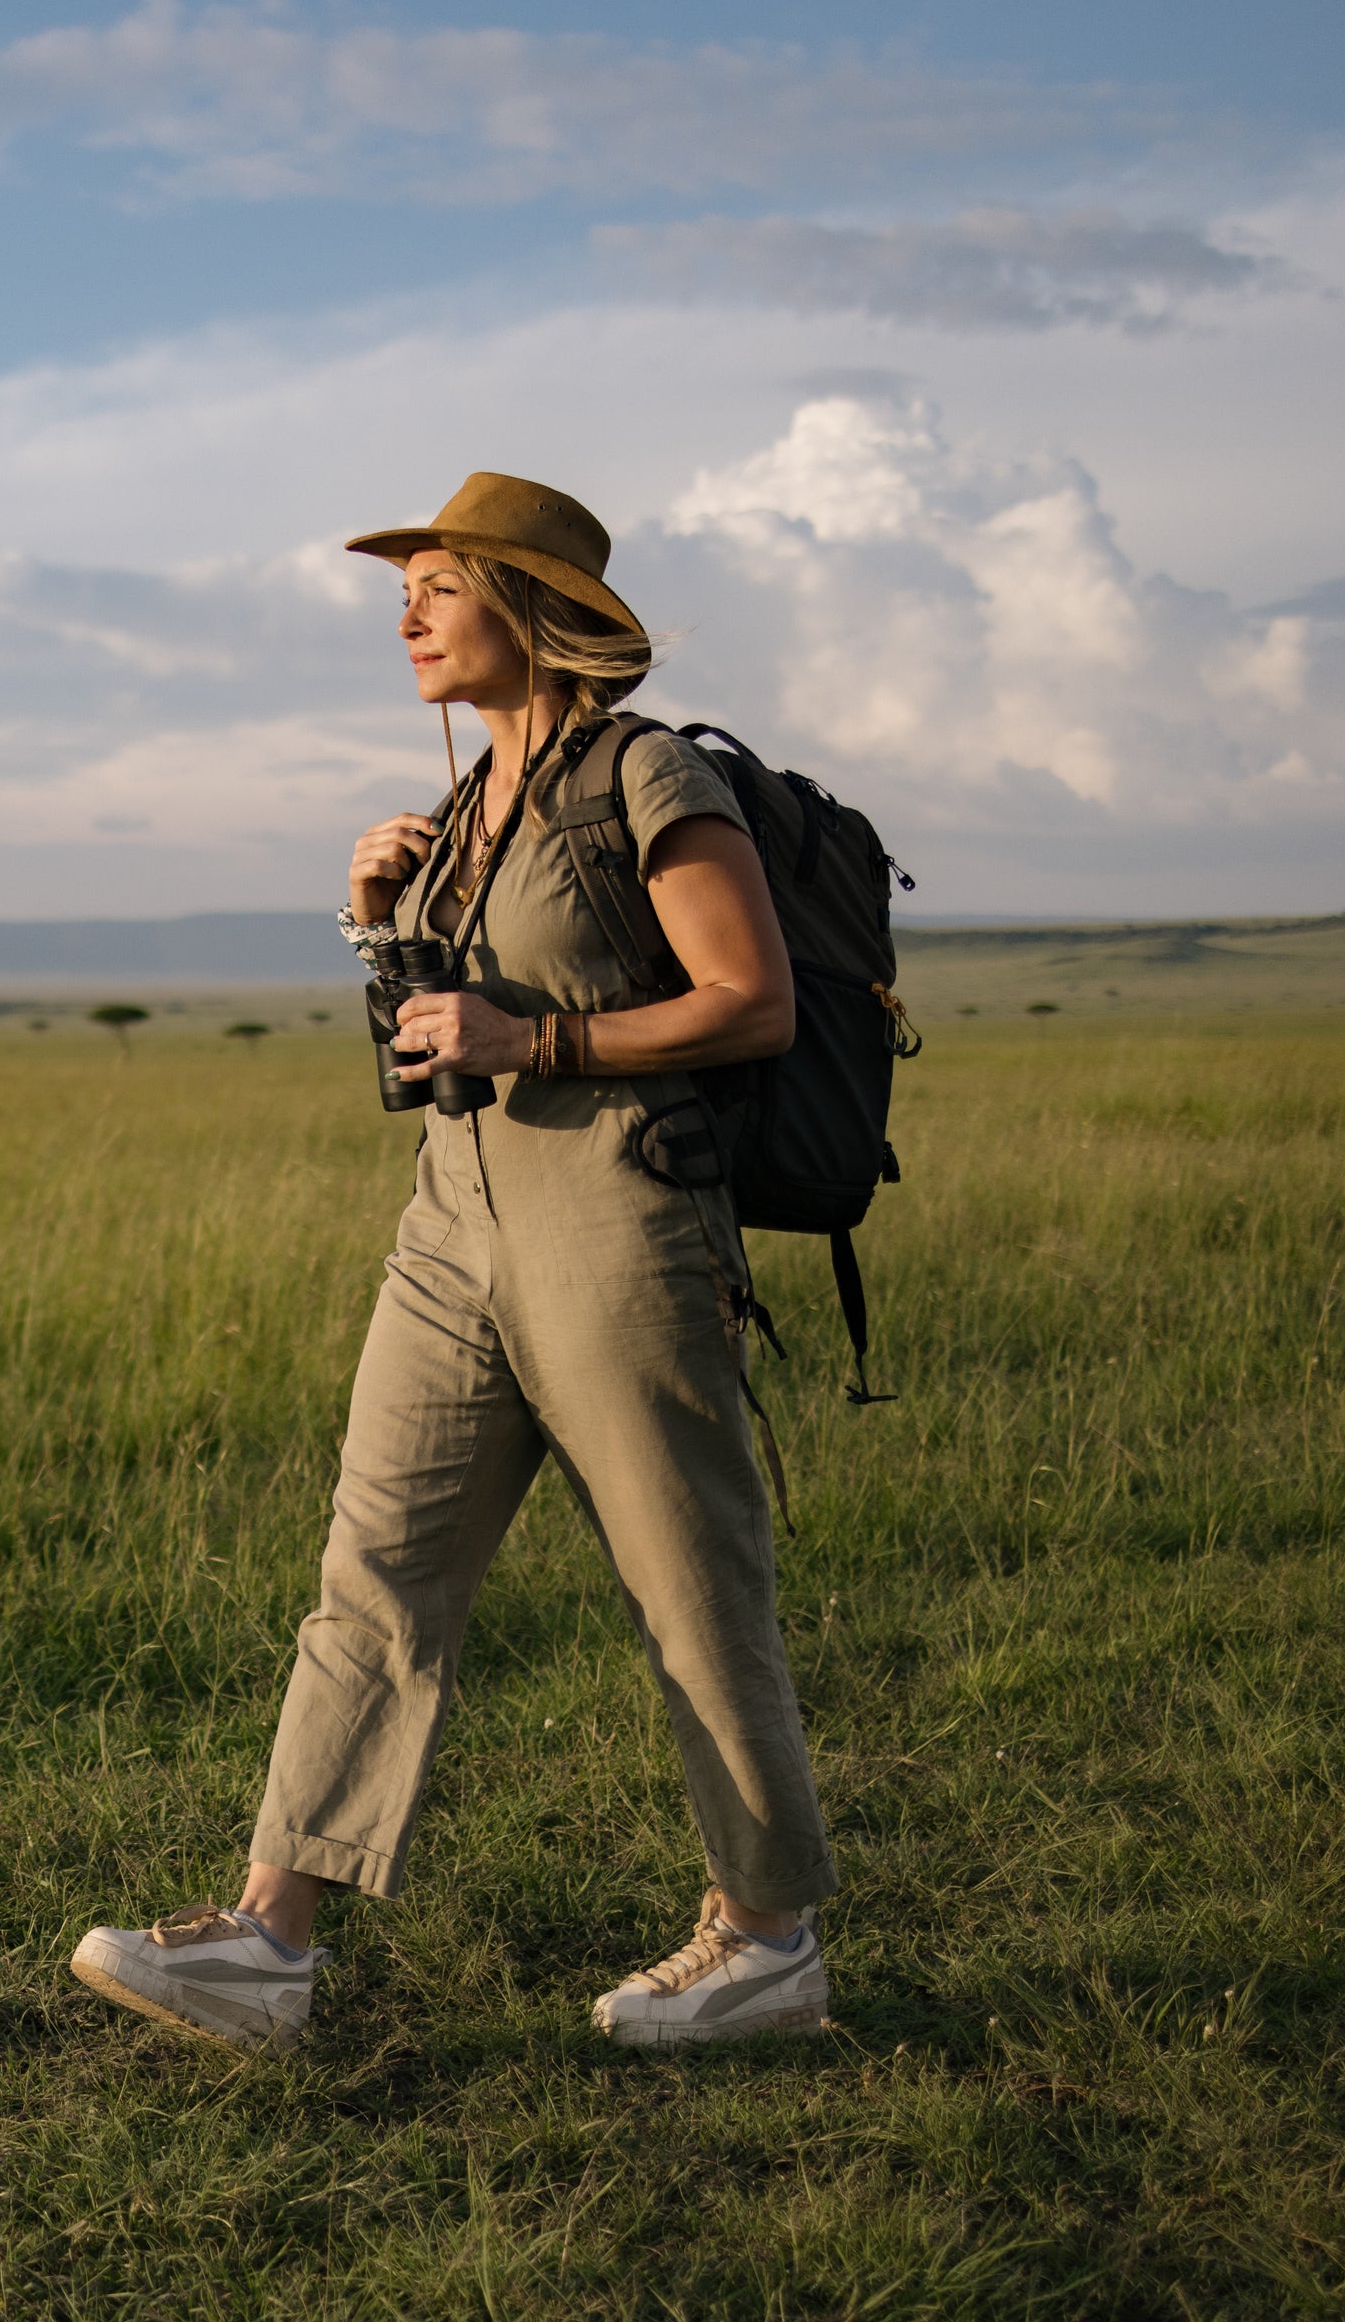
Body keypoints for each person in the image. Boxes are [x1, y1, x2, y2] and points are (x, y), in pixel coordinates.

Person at [70, 472, 838, 2055]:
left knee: (691, 1582)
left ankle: (768, 1937)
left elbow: (748, 1001)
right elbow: (431, 1058)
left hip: (616, 1218)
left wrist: (539, 1032)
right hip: (453, 1223)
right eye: (402, 589)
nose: (405, 613)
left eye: (437, 583)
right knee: (377, 1566)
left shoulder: (646, 773)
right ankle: (269, 1940)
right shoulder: (457, 814)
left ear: (531, 603)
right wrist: (377, 927)